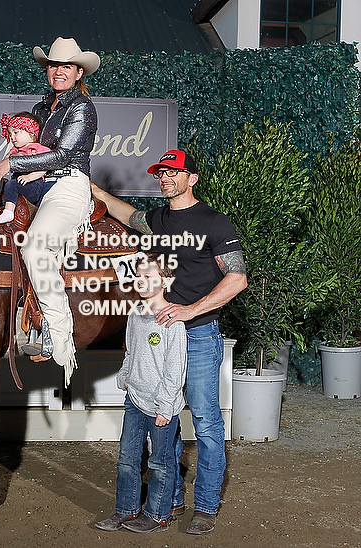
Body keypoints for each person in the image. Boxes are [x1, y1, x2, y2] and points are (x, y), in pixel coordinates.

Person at [91, 149, 248, 535]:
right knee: (167, 421)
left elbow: (237, 279)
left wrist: (190, 310)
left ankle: (206, 506)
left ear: (191, 178)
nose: (165, 178)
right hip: (158, 337)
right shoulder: (158, 220)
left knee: (206, 423)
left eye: (173, 172)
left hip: (197, 335)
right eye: (161, 173)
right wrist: (91, 189)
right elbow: (127, 213)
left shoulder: (214, 222)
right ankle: (169, 500)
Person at [0, 37, 100, 384]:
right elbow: (31, 147)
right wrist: (16, 164)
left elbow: (63, 155)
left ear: (78, 72)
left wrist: (12, 163)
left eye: (66, 66)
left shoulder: (82, 107)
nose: (58, 71)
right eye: (53, 65)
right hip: (36, 182)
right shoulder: (40, 108)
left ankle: (56, 330)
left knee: (36, 247)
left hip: (67, 185)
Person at [96, 252, 187, 534]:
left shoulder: (173, 322)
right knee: (127, 459)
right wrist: (125, 376)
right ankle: (126, 510)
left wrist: (166, 406)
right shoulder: (135, 314)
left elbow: (175, 369)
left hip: (161, 406)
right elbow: (130, 351)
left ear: (166, 281)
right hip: (134, 400)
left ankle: (158, 514)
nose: (141, 281)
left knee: (160, 462)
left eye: (148, 276)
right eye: (138, 275)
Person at [0, 112, 51, 224]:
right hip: (18, 181)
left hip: (33, 184)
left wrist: (29, 177)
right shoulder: (14, 150)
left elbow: (44, 167)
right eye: (10, 134)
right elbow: (6, 162)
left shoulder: (39, 149)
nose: (12, 137)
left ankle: (8, 212)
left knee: (12, 185)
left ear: (31, 133)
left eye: (16, 132)